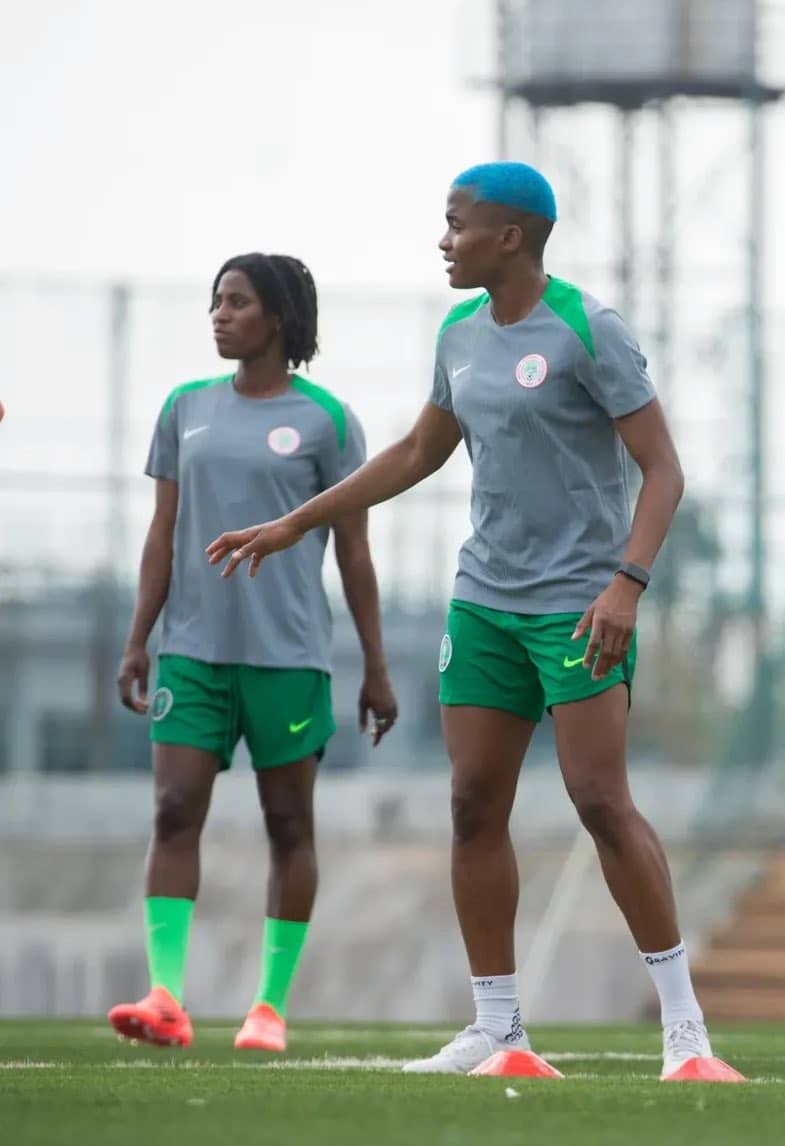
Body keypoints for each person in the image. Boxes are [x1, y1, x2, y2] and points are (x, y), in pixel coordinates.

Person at [207, 163, 727, 1079]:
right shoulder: (456, 333)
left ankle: (685, 1031)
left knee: (600, 802)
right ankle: (498, 1027)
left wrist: (626, 586)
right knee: (470, 804)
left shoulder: (588, 328)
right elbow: (418, 449)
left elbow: (664, 470)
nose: (443, 241)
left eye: (455, 224)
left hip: (579, 605)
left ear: (510, 236)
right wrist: (299, 518)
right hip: (484, 598)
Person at [108, 253, 398, 1053]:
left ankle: (268, 1008)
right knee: (172, 810)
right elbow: (163, 533)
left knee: (288, 827)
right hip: (192, 653)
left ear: (276, 317)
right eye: (215, 301)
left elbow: (355, 553)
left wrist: (374, 664)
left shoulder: (328, 421)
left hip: (290, 657)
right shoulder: (184, 409)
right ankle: (166, 995)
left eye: (236, 302)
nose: (219, 314)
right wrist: (139, 638)